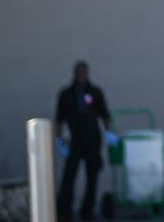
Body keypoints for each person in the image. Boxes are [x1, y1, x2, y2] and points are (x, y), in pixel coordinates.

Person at [55, 60, 113, 221]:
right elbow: (59, 118)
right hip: (75, 139)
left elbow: (105, 114)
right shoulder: (66, 94)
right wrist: (59, 139)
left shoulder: (95, 92)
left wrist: (109, 134)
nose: (81, 76)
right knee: (69, 175)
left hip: (93, 139)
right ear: (74, 73)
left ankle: (87, 209)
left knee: (92, 175)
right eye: (79, 72)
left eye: (84, 73)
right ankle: (64, 209)